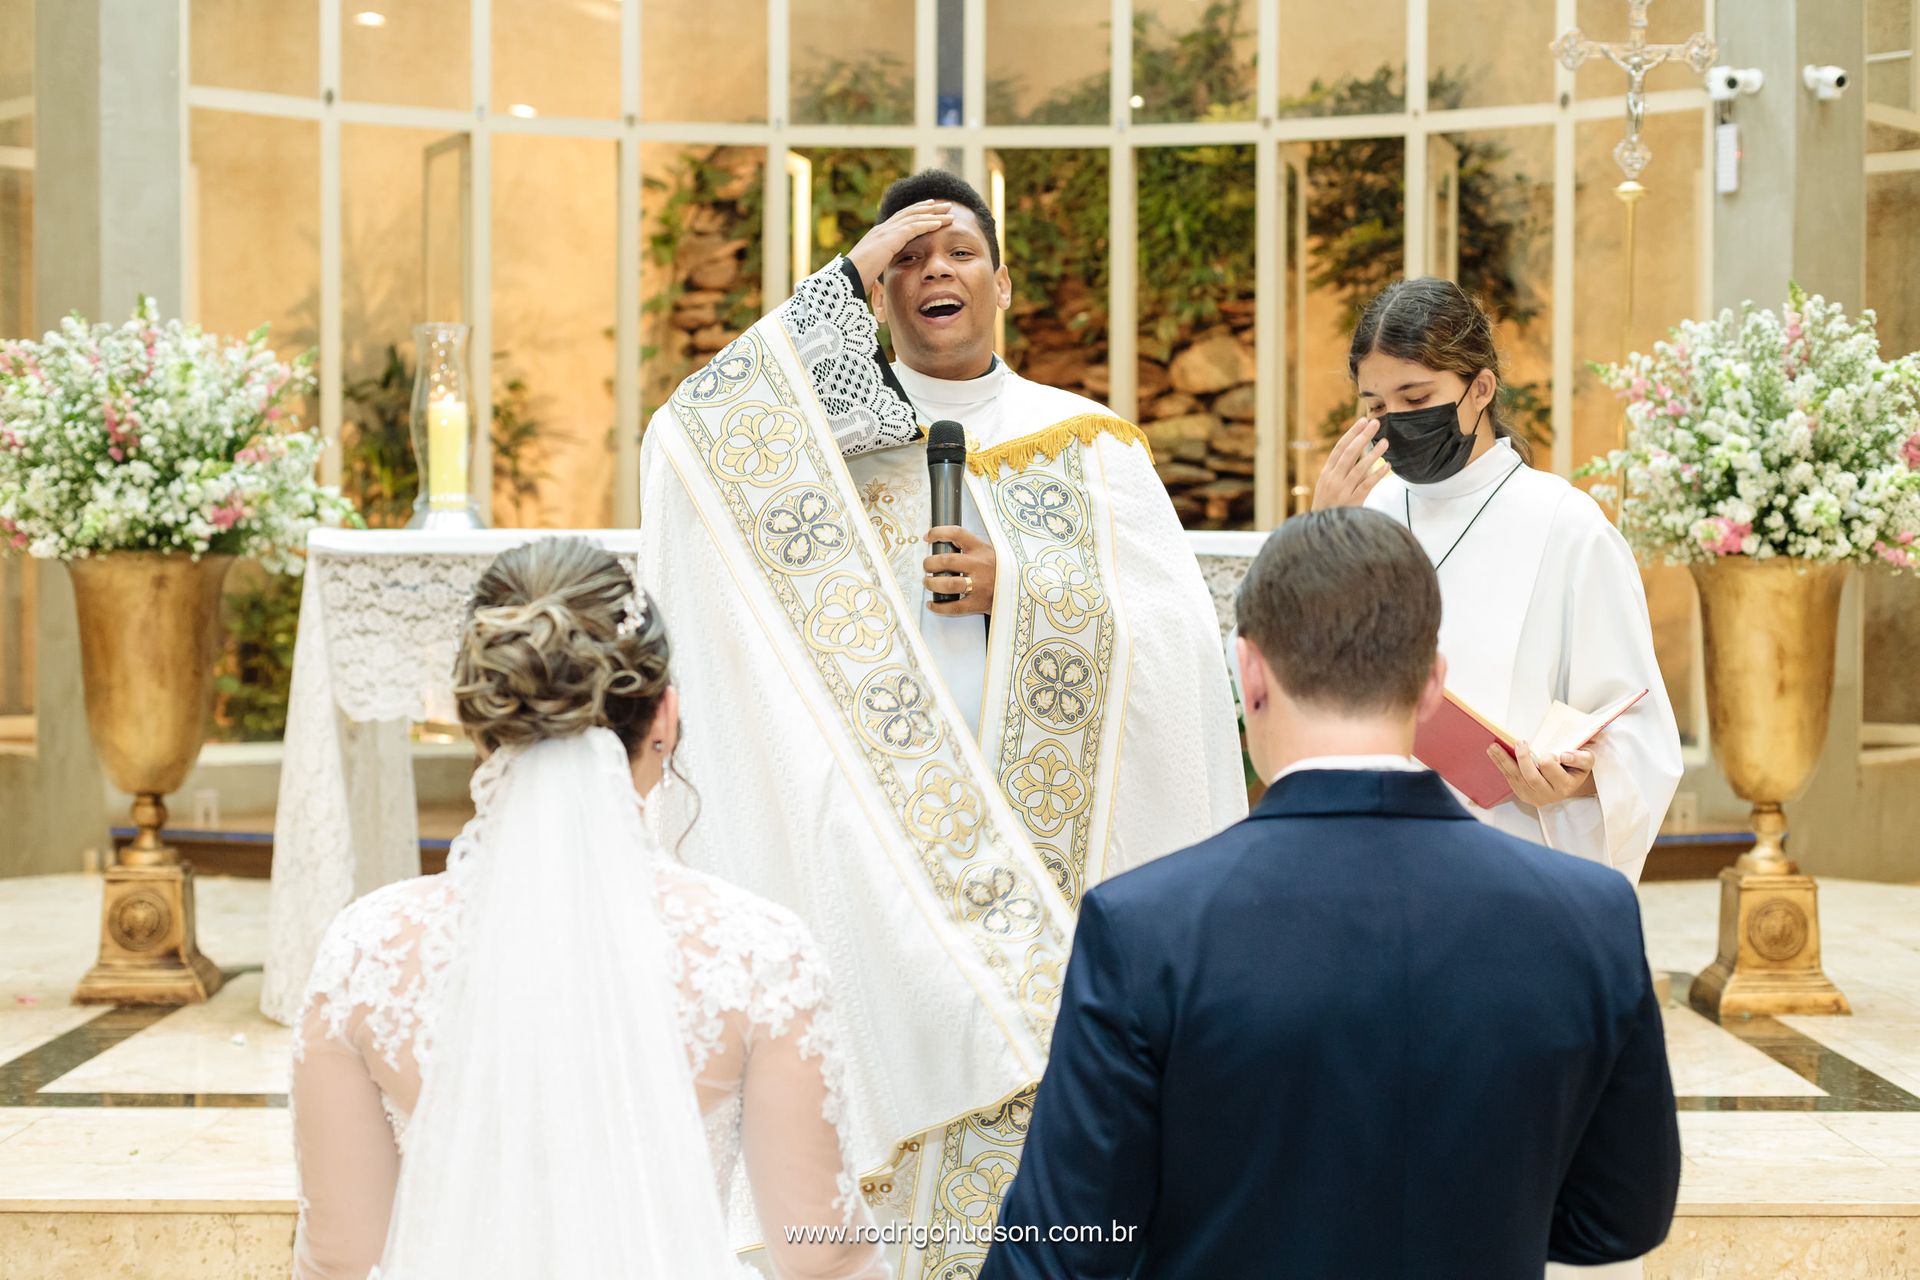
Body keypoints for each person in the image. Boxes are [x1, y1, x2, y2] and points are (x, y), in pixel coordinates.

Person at [637, 170, 1245, 1267]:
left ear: (1002, 280)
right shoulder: (822, 453)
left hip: (1051, 864)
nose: (933, 271)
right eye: (904, 258)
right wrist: (846, 277)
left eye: (956, 248)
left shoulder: (1091, 443)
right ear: (874, 291)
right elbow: (686, 438)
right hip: (883, 867)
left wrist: (1030, 591)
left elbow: (1181, 646)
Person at [981, 509, 1682, 1280]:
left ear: (1249, 673)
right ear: (1432, 685)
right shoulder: (1588, 914)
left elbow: (1059, 1253)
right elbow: (1621, 1216)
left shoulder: (1146, 928)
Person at [289, 538, 887, 1280]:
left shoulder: (365, 953)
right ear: (664, 716)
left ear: (477, 724)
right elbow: (824, 1259)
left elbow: (340, 1261)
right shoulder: (760, 956)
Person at [1315, 276, 1683, 885]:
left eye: (1416, 396)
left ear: (1479, 388)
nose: (1396, 421)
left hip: (1506, 858)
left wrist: (1574, 780)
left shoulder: (1566, 525)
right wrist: (1323, 534)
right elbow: (1303, 672)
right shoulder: (1368, 512)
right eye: (1378, 407)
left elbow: (1637, 734)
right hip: (1369, 849)